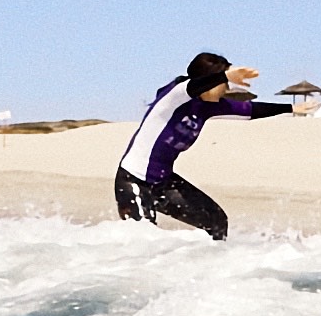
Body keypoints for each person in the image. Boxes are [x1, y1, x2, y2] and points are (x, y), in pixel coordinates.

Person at [115, 52, 295, 240]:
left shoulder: (209, 106)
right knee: (142, 239)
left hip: (162, 183)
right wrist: (224, 75)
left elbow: (251, 110)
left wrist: (291, 108)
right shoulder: (175, 95)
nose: (226, 88)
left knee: (215, 220)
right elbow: (193, 86)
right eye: (224, 83)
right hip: (133, 180)